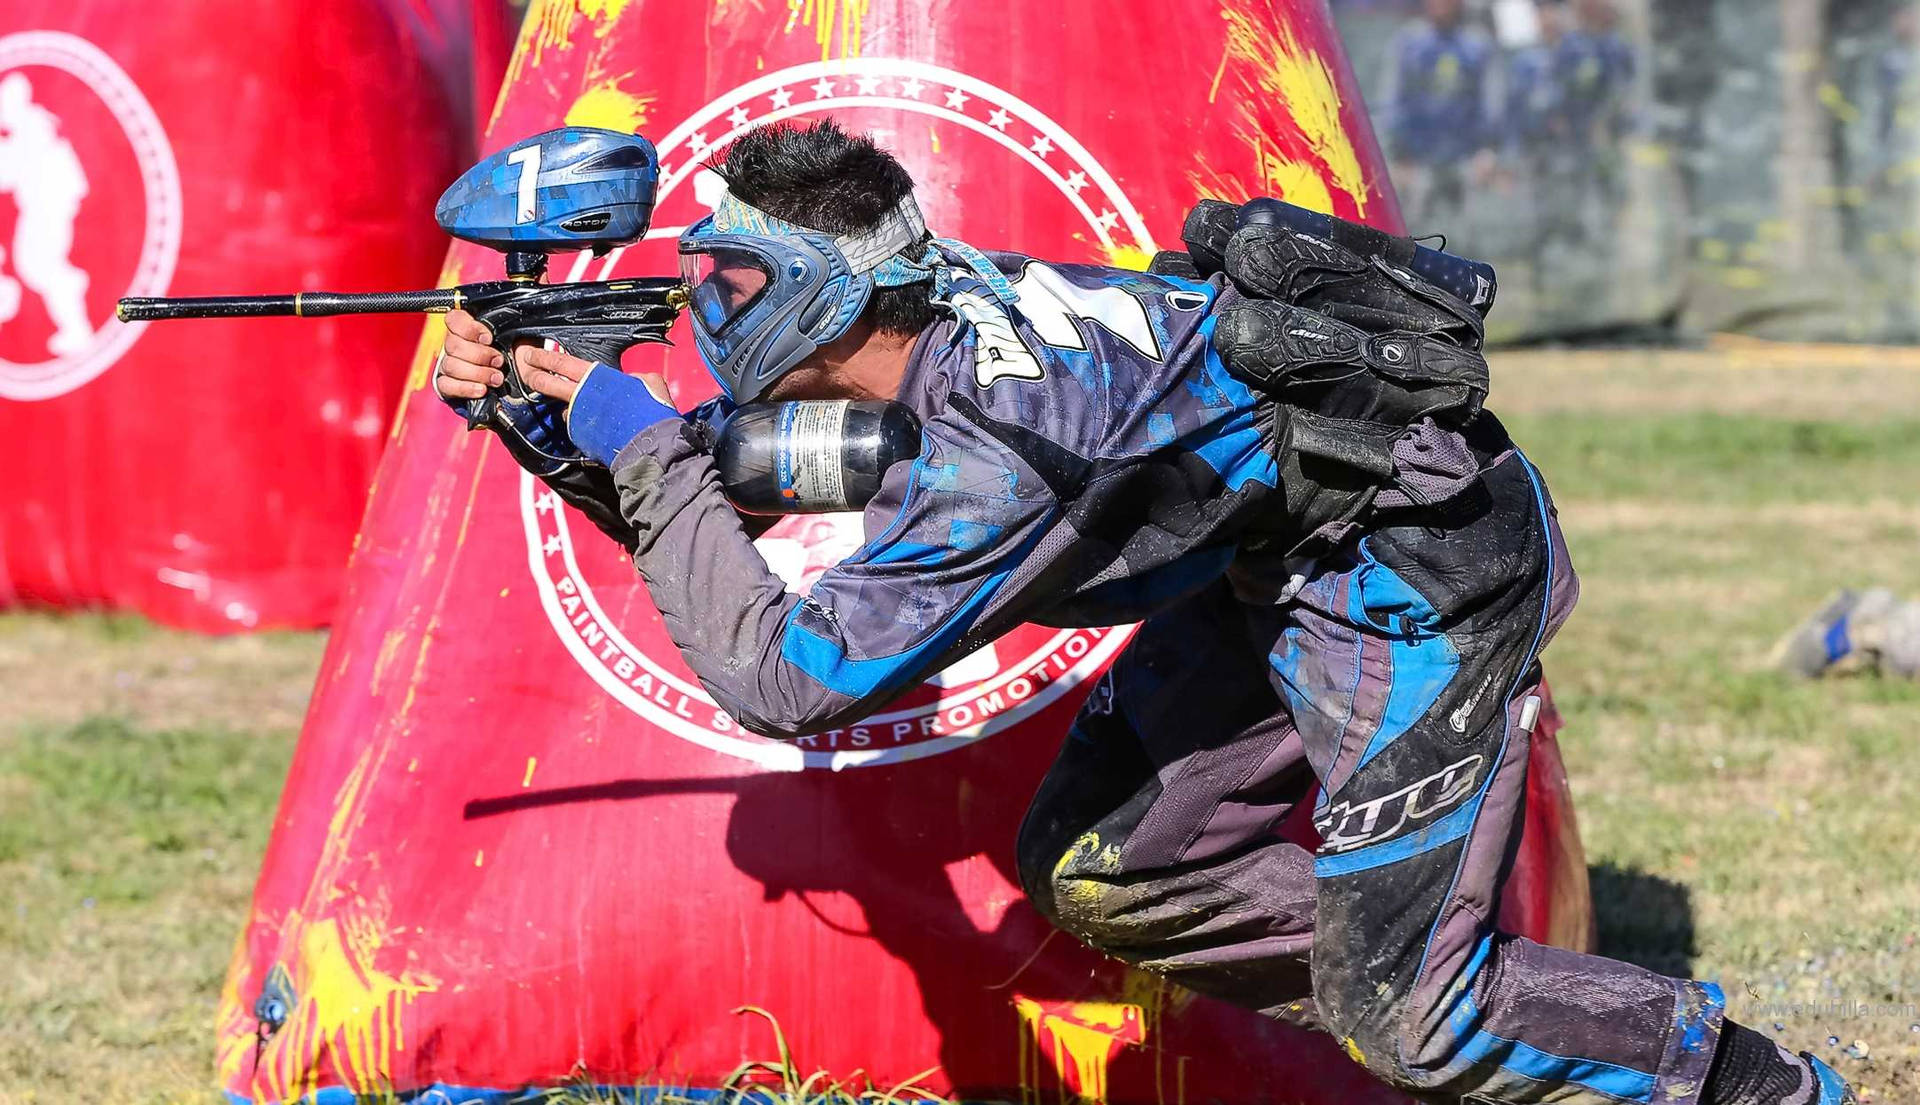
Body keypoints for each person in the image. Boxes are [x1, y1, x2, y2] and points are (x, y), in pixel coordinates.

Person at [435, 120, 1855, 1105]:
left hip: (1415, 575)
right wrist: (556, 420)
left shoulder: (1006, 451)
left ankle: (1741, 1080)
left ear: (815, 297)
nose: (706, 312)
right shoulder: (933, 312)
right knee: (1113, 871)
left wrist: (635, 434)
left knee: (1419, 1019)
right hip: (1276, 560)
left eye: (726, 286)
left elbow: (788, 679)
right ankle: (1432, 967)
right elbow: (732, 493)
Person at [0, 72, 94, 358]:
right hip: (45, 211)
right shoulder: (31, 129)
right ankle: (68, 287)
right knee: (34, 267)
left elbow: (9, 173)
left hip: (47, 212)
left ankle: (71, 300)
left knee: (39, 266)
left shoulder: (33, 129)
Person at [1384, 0, 1496, 232]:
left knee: (1467, 238)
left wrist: (1488, 149)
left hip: (1465, 159)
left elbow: (1491, 102)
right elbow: (1393, 99)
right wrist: (1397, 153)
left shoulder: (1477, 45)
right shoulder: (1409, 42)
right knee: (1416, 235)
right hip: (1417, 160)